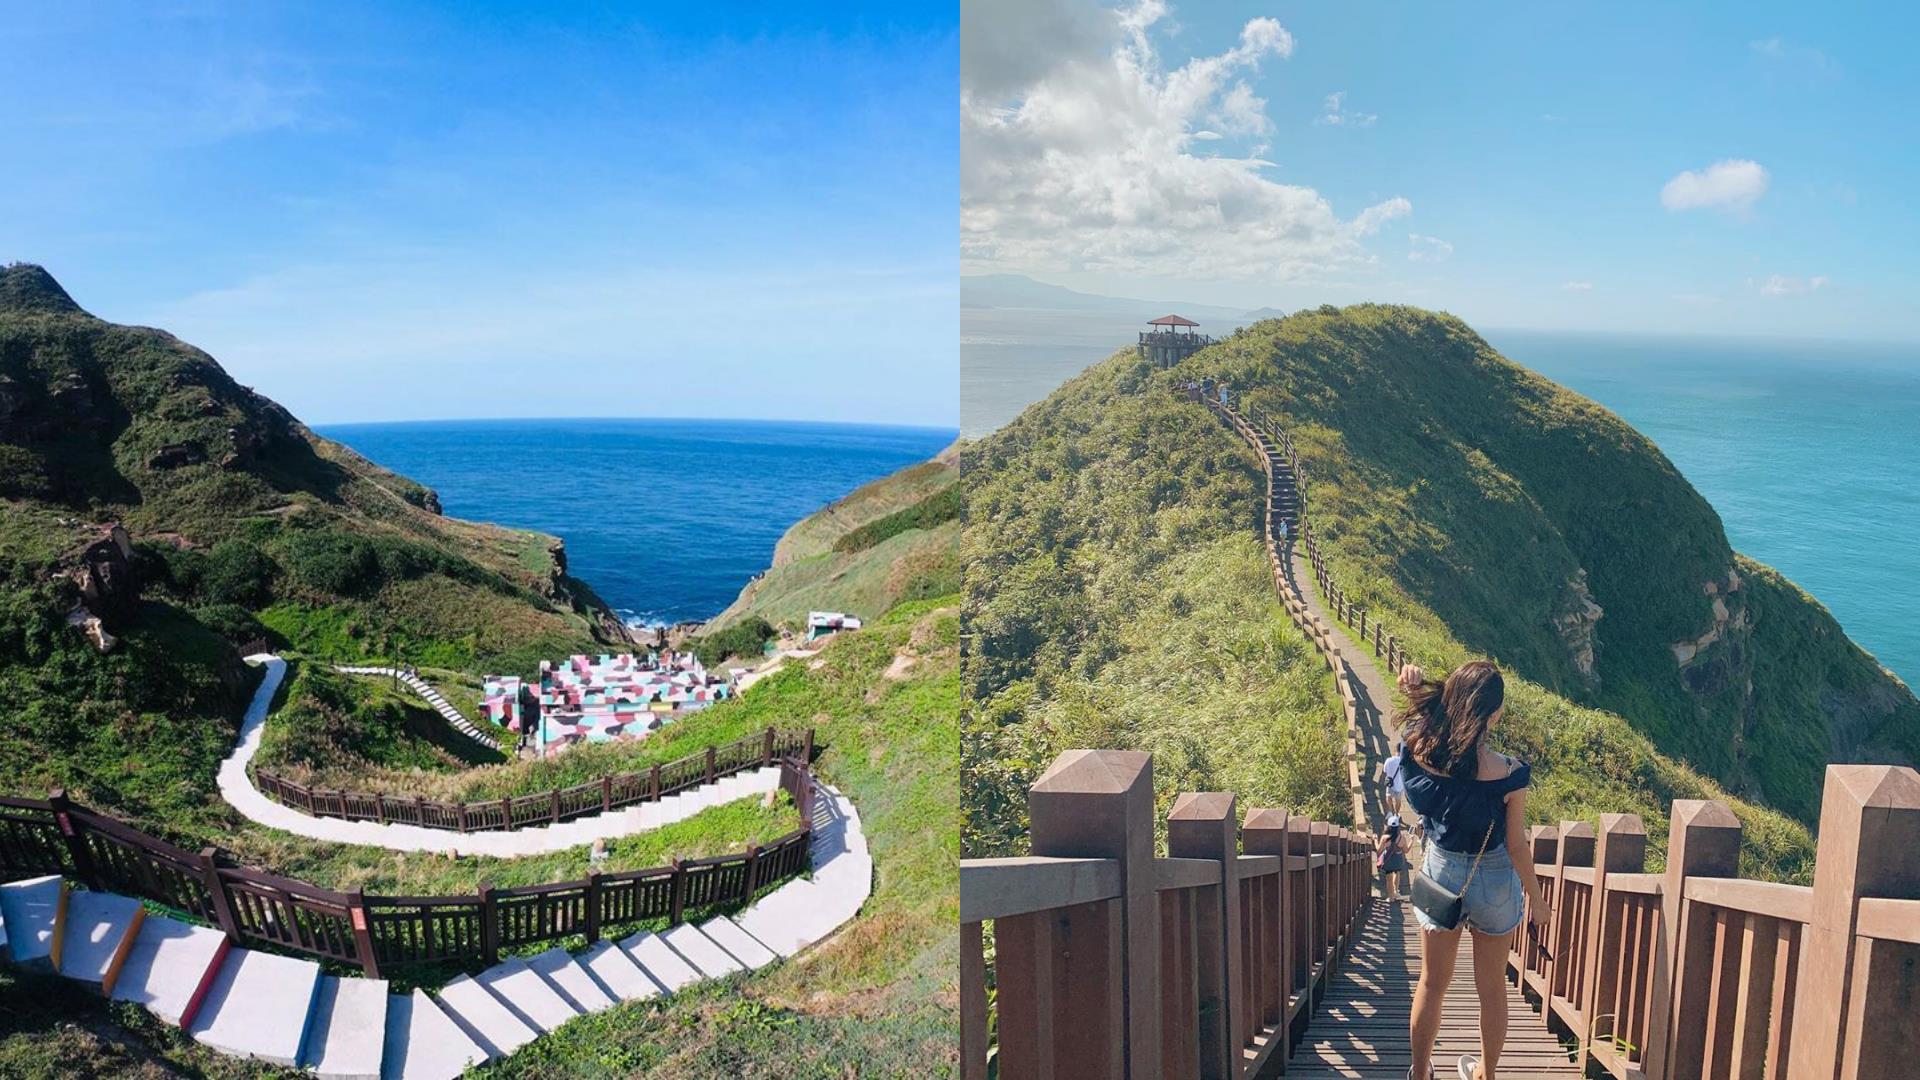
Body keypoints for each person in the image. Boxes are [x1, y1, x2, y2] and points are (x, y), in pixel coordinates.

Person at [1393, 660, 1550, 1080]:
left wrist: (1414, 691)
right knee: (1492, 989)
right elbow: (1516, 846)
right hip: (1496, 878)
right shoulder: (1510, 774)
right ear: (1494, 714)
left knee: (1431, 984)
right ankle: (1485, 1074)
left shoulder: (1424, 754)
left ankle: (1421, 1073)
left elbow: (1415, 735)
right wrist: (1537, 900)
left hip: (1443, 873)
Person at [1375, 812, 1412, 900]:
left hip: (1388, 860)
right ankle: (1396, 891)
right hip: (1398, 860)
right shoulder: (1401, 838)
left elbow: (1378, 850)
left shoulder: (1385, 837)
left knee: (1389, 879)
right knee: (1397, 873)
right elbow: (1406, 850)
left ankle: (1391, 896)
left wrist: (1375, 840)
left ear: (1388, 826)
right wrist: (1411, 841)